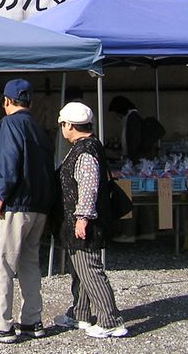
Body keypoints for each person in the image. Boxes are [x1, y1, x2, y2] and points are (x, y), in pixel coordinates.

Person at [0, 79, 56, 344]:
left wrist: (0, 195)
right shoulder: (39, 128)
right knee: (30, 262)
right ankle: (32, 320)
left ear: (7, 101)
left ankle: (0, 324)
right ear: (30, 102)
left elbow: (9, 161)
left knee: (2, 262)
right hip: (39, 206)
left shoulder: (9, 124)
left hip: (16, 204)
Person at [54, 101, 128, 338]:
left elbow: (88, 187)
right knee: (81, 269)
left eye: (62, 124)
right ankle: (81, 313)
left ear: (69, 125)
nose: (62, 129)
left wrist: (82, 217)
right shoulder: (88, 146)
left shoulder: (85, 152)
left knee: (91, 269)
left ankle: (110, 319)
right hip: (80, 219)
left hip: (86, 221)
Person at [108, 95, 156, 242]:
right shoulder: (135, 117)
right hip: (141, 164)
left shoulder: (132, 119)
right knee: (142, 199)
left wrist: (127, 157)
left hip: (136, 164)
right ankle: (148, 231)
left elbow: (133, 143)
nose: (116, 116)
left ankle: (128, 233)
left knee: (130, 196)